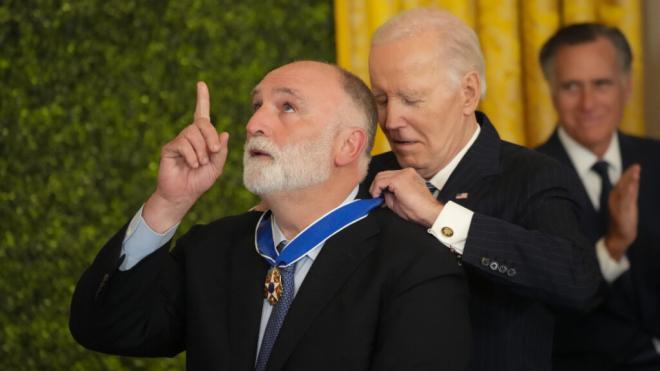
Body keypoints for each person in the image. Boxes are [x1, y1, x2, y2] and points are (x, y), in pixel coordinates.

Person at [69, 61, 471, 370]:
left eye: (288, 107)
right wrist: (168, 202)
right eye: (257, 105)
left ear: (348, 146)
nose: (254, 123)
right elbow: (105, 328)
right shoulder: (211, 248)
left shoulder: (417, 267)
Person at [360, 8, 602, 371]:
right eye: (380, 100)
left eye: (411, 99)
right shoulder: (362, 176)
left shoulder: (534, 176)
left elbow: (577, 281)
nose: (391, 121)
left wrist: (440, 218)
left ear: (468, 93)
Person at [536, 23, 660, 370]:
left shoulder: (655, 159)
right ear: (552, 92)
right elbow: (548, 306)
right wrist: (614, 245)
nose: (588, 103)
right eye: (572, 87)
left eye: (601, 84)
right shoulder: (525, 179)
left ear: (627, 86)